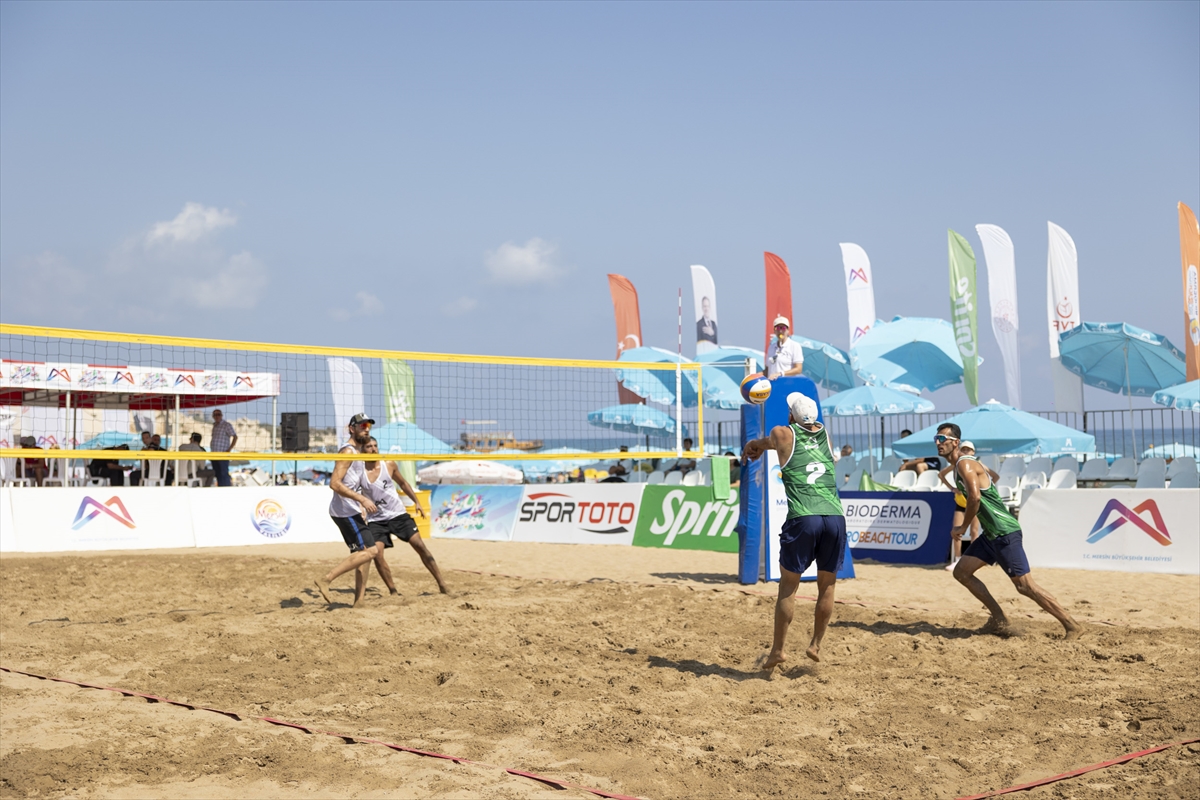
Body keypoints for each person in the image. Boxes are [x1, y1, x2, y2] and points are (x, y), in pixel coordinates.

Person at [936, 423, 1081, 639]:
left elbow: (975, 498)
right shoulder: (957, 467)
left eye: (942, 439)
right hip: (991, 534)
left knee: (1025, 587)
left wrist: (963, 527)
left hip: (1004, 531)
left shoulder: (965, 464)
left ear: (955, 442)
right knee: (962, 572)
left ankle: (1072, 626)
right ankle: (999, 618)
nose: (938, 443)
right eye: (936, 439)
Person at [742, 392, 846, 674]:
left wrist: (754, 445)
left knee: (788, 587)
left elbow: (768, 442)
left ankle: (778, 651)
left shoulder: (782, 433)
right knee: (828, 586)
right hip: (835, 517)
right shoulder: (825, 435)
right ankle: (815, 645)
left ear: (791, 416)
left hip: (804, 517)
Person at [361, 437, 449, 594]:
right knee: (377, 555)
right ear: (362, 450)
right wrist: (360, 507)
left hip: (398, 515)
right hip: (376, 519)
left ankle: (442, 584)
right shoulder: (359, 471)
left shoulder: (388, 464)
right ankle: (393, 591)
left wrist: (417, 502)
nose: (373, 449)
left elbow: (403, 483)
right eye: (369, 446)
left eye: (375, 446)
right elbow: (352, 492)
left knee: (420, 546)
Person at [314, 414, 384, 608]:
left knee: (364, 554)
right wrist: (362, 500)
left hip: (352, 510)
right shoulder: (347, 452)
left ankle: (359, 601)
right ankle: (326, 579)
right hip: (344, 512)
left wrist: (361, 504)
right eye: (362, 425)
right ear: (351, 429)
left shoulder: (359, 453)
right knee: (371, 551)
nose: (366, 428)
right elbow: (334, 484)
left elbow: (354, 484)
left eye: (368, 425)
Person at [937, 440, 986, 570]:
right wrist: (952, 488)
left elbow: (994, 476)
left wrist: (982, 490)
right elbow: (941, 474)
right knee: (956, 532)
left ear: (973, 452)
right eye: (963, 449)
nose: (965, 451)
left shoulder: (978, 465)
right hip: (960, 502)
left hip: (974, 502)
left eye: (968, 449)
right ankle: (958, 560)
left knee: (974, 532)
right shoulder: (957, 464)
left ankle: (973, 560)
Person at [766, 316, 804, 381]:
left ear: (788, 330)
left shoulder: (794, 346)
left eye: (783, 328)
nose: (780, 331)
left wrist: (781, 373)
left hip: (787, 384)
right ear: (774, 330)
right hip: (772, 384)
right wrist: (755, 375)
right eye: (777, 328)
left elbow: (798, 369)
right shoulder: (771, 347)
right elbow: (767, 370)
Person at [210, 410, 238, 487]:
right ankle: (221, 489)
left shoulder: (226, 425)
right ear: (213, 416)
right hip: (214, 454)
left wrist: (229, 449)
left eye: (218, 414)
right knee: (217, 473)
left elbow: (235, 436)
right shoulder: (215, 425)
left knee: (223, 473)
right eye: (215, 415)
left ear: (221, 415)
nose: (217, 416)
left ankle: (226, 489)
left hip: (223, 454)